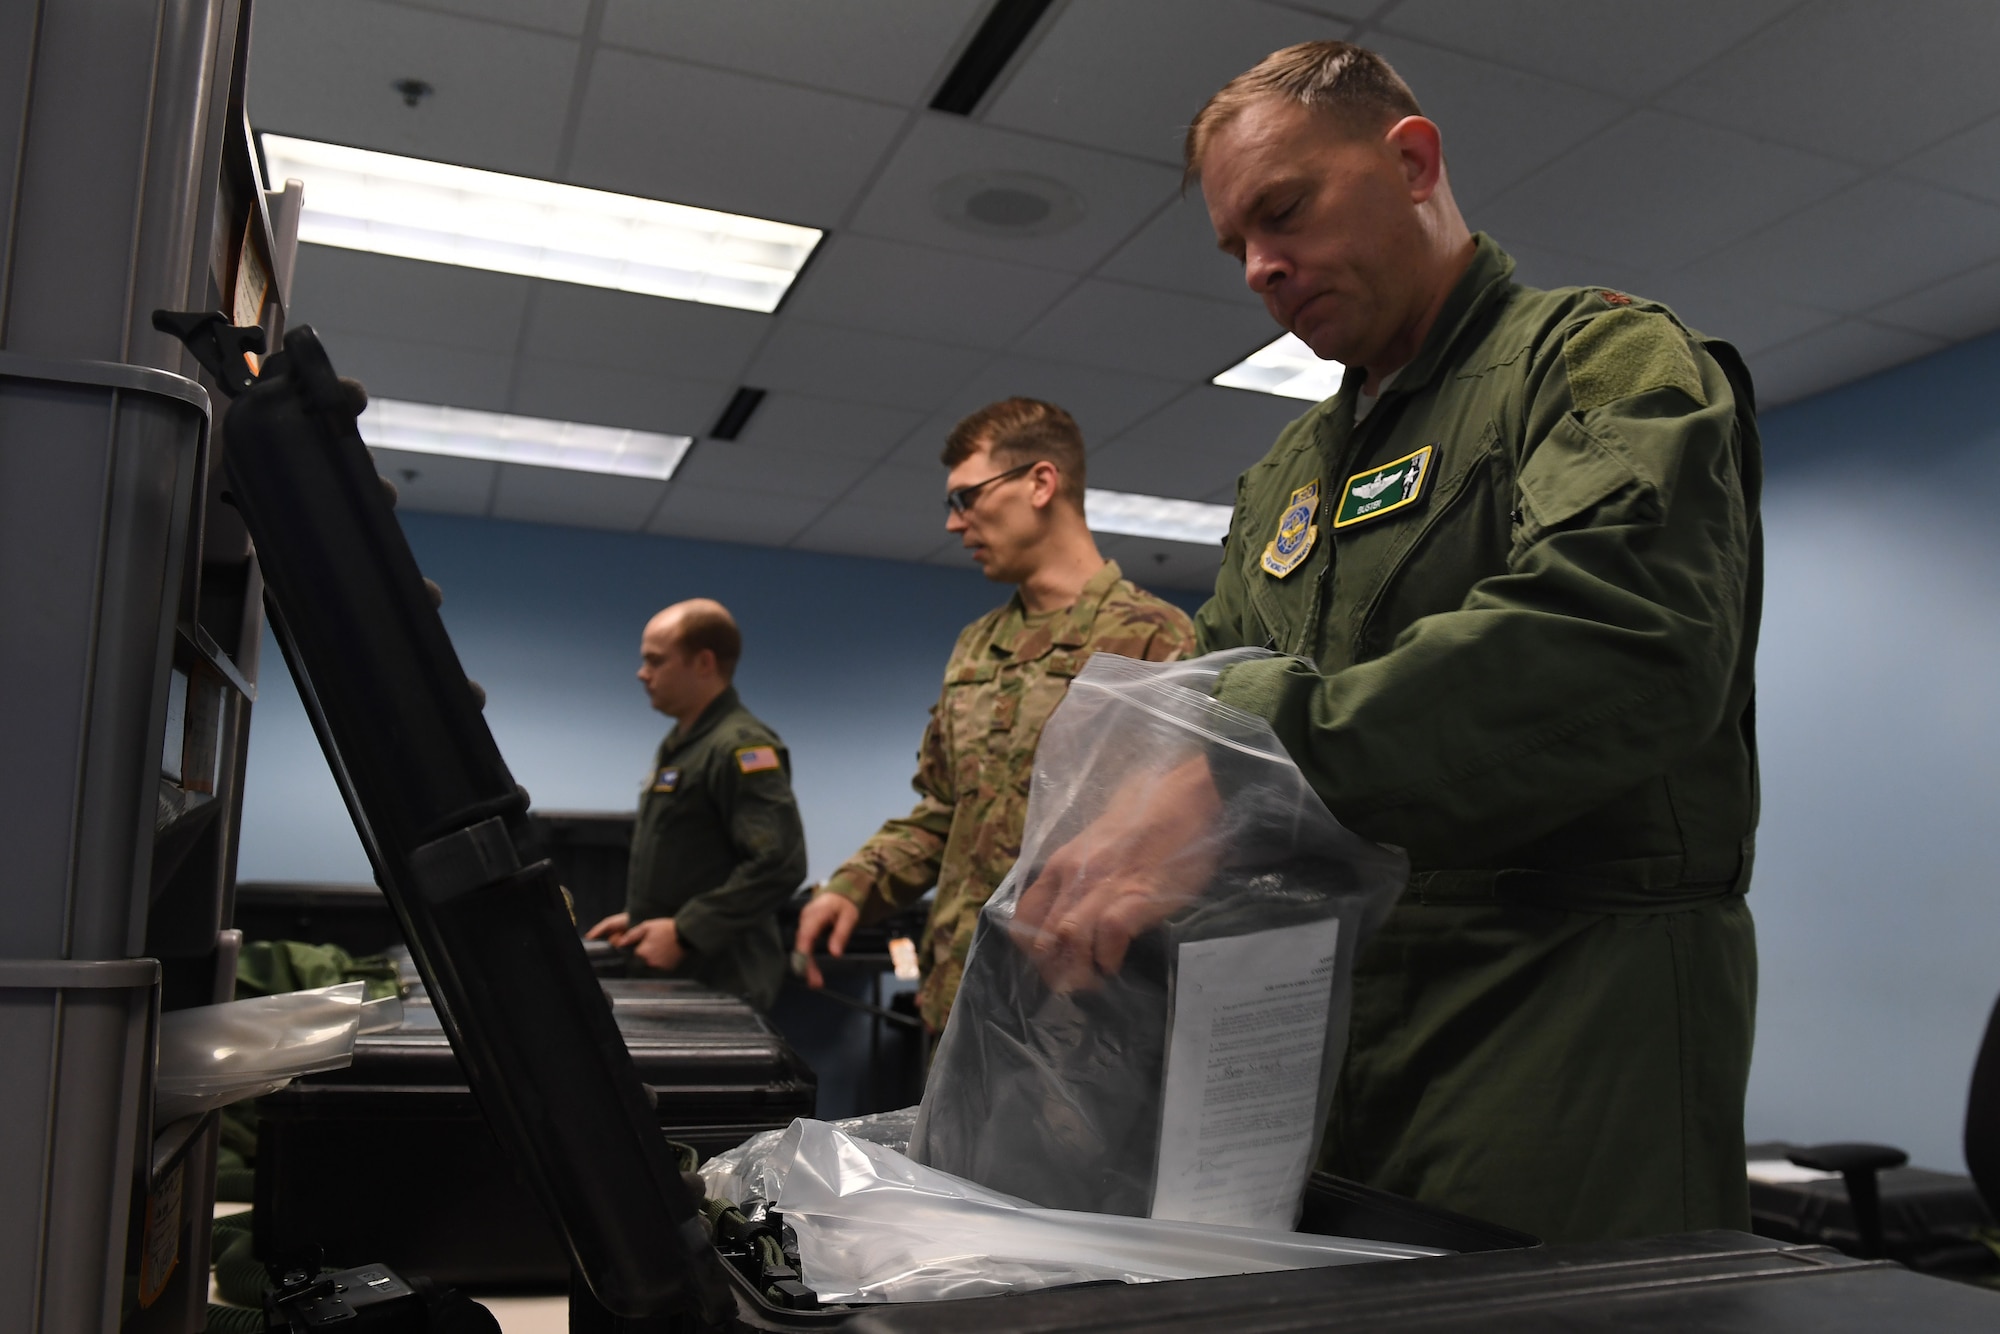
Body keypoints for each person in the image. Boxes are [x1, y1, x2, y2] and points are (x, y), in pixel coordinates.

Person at [1012, 42, 1761, 1244]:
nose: (1260, 265)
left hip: (1558, 1018)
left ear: (1409, 161)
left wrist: (1239, 760)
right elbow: (1211, 707)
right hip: (1324, 1035)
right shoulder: (1282, 481)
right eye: (1236, 247)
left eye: (1282, 210)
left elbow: (1625, 638)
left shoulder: (1593, 363)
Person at [793, 399, 1197, 1034]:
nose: (956, 524)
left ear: (1040, 482)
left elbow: (1178, 840)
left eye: (966, 497)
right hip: (958, 999)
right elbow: (945, 814)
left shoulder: (1153, 641)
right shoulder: (976, 646)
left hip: (1078, 1018)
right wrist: (852, 886)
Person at [586, 598, 806, 1012]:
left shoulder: (741, 745)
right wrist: (640, 917)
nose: (642, 673)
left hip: (721, 978)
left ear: (704, 663)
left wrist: (686, 931)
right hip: (677, 975)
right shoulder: (685, 745)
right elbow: (694, 860)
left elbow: (780, 862)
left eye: (655, 661)